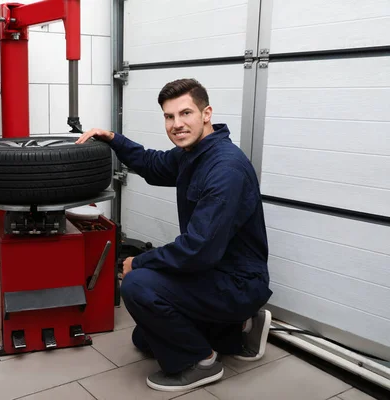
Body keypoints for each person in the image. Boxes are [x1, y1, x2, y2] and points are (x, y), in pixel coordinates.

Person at [76, 78, 273, 392]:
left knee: (139, 286)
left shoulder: (225, 169)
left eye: (186, 114)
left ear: (206, 113)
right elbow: (152, 165)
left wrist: (139, 263)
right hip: (212, 273)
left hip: (237, 282)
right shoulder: (192, 153)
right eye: (169, 117)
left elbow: (198, 249)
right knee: (145, 339)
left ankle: (201, 362)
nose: (177, 124)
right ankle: (237, 329)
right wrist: (113, 138)